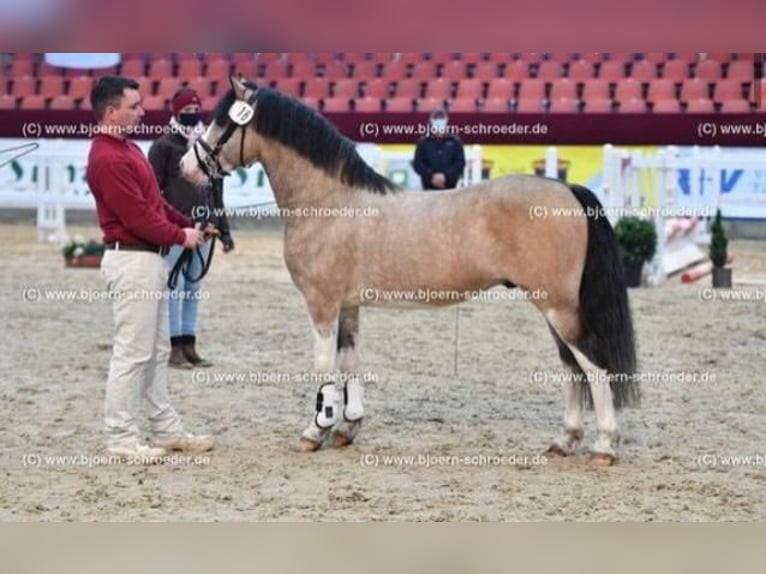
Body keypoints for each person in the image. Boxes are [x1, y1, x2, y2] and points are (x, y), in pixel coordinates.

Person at [86, 76, 214, 459]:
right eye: (134, 105)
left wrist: (187, 224)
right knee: (132, 353)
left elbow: (155, 204)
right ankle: (121, 438)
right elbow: (139, 217)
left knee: (155, 351)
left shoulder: (128, 150)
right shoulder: (107, 158)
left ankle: (164, 428)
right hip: (133, 260)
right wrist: (181, 237)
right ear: (112, 112)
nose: (142, 111)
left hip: (148, 258)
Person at [148, 87, 234, 369]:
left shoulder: (209, 149)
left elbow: (217, 191)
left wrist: (224, 230)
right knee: (175, 286)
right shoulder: (162, 147)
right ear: (175, 113)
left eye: (194, 111)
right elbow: (153, 193)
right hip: (176, 229)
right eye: (185, 112)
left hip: (206, 227)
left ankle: (189, 343)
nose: (192, 116)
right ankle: (173, 346)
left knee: (193, 287)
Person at [412, 108, 466, 190]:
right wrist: (432, 176)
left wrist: (445, 176)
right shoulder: (423, 142)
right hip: (428, 190)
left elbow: (460, 163)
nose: (439, 121)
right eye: (436, 118)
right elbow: (417, 164)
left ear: (446, 120)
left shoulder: (455, 141)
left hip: (450, 190)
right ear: (431, 121)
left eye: (441, 118)